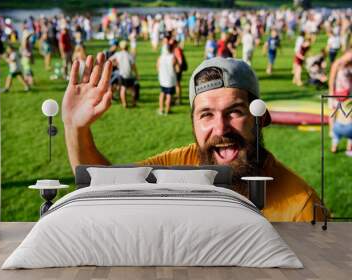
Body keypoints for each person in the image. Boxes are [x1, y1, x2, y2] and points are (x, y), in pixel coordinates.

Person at [62, 54, 324, 222]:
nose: (220, 129)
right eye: (206, 115)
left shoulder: (302, 207)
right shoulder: (180, 163)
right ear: (194, 125)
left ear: (262, 118)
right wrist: (76, 128)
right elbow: (105, 186)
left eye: (234, 112)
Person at [110, 40, 139, 108]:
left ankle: (124, 103)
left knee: (123, 88)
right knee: (133, 89)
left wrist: (116, 64)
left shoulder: (117, 54)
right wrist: (137, 74)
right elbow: (133, 66)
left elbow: (110, 60)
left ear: (120, 47)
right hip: (129, 74)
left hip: (122, 74)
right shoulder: (129, 55)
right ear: (127, 47)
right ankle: (133, 102)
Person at [157, 43, 178, 115]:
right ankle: (167, 110)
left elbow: (157, 67)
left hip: (162, 79)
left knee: (162, 93)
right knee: (169, 95)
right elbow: (176, 68)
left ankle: (161, 109)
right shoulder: (173, 57)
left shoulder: (160, 57)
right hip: (170, 78)